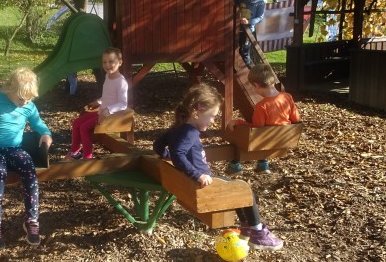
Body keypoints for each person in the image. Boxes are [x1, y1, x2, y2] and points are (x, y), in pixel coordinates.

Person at [153, 84, 283, 251]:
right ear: (197, 113)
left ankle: (247, 228)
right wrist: (197, 175)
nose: (213, 121)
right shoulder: (189, 132)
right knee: (245, 190)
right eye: (212, 116)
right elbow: (178, 153)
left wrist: (167, 156)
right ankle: (258, 234)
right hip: (203, 186)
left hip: (194, 183)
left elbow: (157, 146)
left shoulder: (176, 128)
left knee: (237, 190)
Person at [0, 67, 53, 250]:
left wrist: (45, 133)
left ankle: (31, 220)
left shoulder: (29, 106)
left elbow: (38, 124)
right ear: (10, 89)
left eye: (29, 99)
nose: (25, 102)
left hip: (14, 149)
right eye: (22, 98)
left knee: (29, 169)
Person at [228, 64, 301, 174]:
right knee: (265, 136)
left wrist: (238, 122)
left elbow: (257, 128)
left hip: (264, 141)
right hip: (283, 139)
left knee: (241, 133)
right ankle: (263, 165)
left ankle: (234, 166)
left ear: (256, 85)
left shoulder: (262, 106)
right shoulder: (287, 97)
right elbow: (296, 119)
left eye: (253, 87)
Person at [66, 47, 128, 160]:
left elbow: (123, 103)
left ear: (120, 62)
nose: (107, 65)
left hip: (111, 116)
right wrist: (98, 101)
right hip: (102, 112)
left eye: (111, 62)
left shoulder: (121, 82)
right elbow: (108, 96)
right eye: (104, 62)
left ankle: (87, 157)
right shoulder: (108, 76)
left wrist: (108, 110)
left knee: (84, 127)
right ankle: (74, 152)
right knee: (76, 123)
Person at [236, 0, 266, 68]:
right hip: (237, 29)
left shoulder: (260, 3)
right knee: (235, 49)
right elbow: (232, 3)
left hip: (249, 31)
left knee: (244, 51)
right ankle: (239, 68)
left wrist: (248, 21)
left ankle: (250, 69)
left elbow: (260, 18)